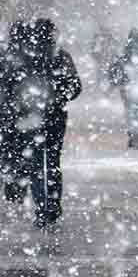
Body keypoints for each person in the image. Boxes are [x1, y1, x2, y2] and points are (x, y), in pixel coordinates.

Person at [30, 17, 81, 230]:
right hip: (55, 117)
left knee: (35, 163)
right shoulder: (61, 57)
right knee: (52, 161)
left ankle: (42, 207)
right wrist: (59, 98)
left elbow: (12, 87)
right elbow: (75, 86)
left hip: (31, 118)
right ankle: (52, 203)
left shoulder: (27, 59)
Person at [0, 21, 33, 204]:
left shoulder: (1, 54)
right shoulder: (31, 55)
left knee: (5, 148)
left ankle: (10, 181)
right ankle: (19, 184)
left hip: (3, 110)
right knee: (22, 148)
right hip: (22, 111)